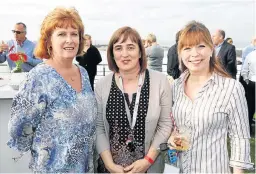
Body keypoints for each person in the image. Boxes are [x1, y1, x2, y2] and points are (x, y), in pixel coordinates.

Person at [7, 7, 97, 173]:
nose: (69, 40)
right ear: (48, 41)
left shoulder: (82, 73)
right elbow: (18, 128)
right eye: (61, 34)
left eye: (74, 33)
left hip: (84, 168)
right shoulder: (39, 77)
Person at [168, 21, 253, 173]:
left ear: (211, 49)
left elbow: (239, 138)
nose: (194, 54)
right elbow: (178, 127)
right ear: (180, 53)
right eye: (187, 48)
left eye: (200, 46)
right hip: (179, 169)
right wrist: (174, 138)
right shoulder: (176, 86)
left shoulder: (231, 88)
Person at [95, 26, 172, 173]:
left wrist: (147, 161)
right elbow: (99, 128)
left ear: (140, 52)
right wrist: (110, 165)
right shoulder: (102, 85)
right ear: (112, 54)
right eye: (118, 48)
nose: (124, 54)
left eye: (130, 47)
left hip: (148, 166)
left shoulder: (160, 81)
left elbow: (165, 124)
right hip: (112, 169)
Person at [241, 49, 256, 134]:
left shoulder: (250, 54)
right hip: (252, 83)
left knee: (250, 108)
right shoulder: (251, 54)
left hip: (251, 83)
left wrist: (246, 80)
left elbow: (244, 71)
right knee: (250, 108)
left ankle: (248, 130)